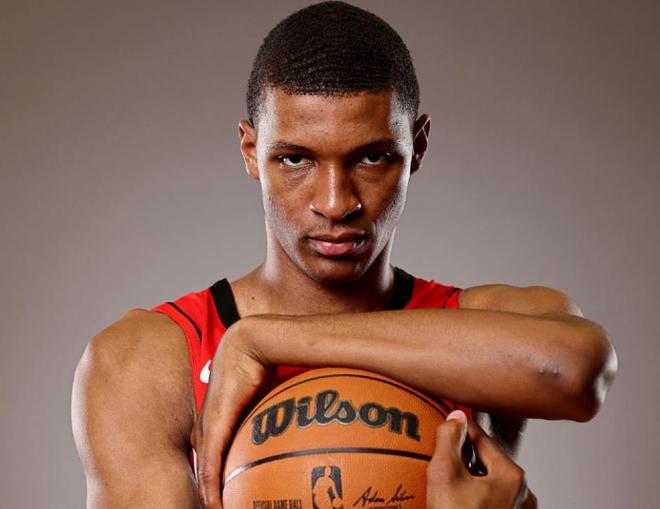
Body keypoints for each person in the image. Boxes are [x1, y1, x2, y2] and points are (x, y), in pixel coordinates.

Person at [71, 2, 617, 508]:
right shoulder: (152, 359)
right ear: (251, 152)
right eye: (295, 160)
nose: (335, 203)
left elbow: (576, 370)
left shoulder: (485, 323)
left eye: (372, 158)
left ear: (418, 146)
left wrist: (262, 340)